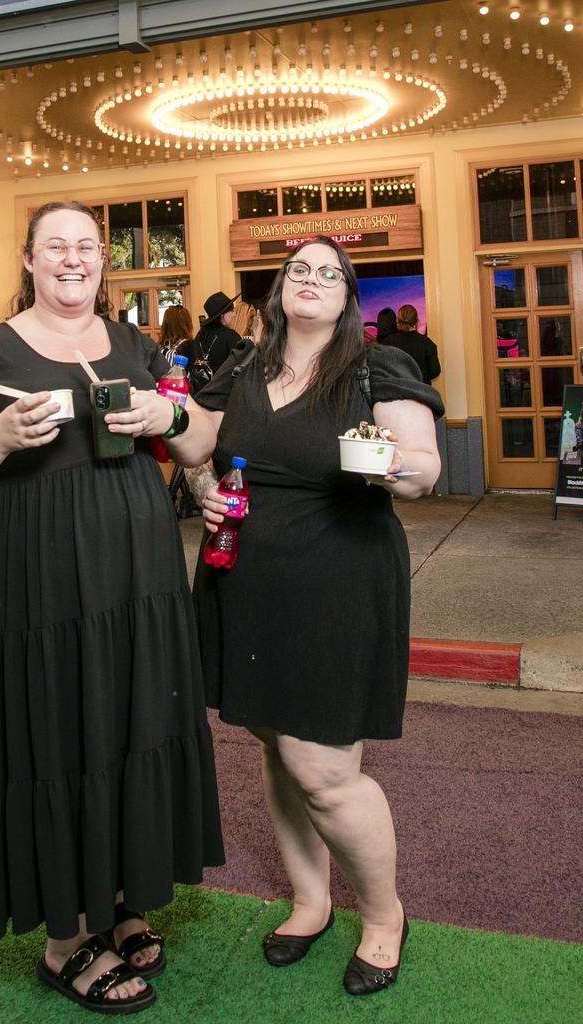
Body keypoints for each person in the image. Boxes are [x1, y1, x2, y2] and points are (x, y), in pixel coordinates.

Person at [0, 201, 224, 1015]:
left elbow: (197, 442)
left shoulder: (134, 343)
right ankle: (63, 943)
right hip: (44, 584)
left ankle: (119, 902)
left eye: (87, 247)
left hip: (140, 576)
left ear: (101, 261)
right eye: (57, 247)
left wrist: (172, 414)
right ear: (29, 259)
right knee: (61, 729)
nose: (74, 260)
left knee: (130, 723)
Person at [192, 237, 444, 997]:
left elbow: (425, 465)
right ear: (277, 292)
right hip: (246, 573)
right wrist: (201, 482)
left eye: (329, 273)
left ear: (346, 297)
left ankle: (382, 913)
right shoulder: (243, 365)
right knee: (274, 739)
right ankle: (309, 901)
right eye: (298, 269)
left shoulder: (376, 366)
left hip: (337, 579)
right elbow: (198, 442)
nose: (311, 280)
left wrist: (398, 465)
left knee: (323, 767)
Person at [185, 290, 241, 390]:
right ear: (222, 315)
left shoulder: (200, 335)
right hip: (224, 395)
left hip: (200, 393)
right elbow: (241, 369)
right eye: (232, 311)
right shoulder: (231, 336)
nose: (234, 315)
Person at [383, 304, 441, 385]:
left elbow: (384, 370)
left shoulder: (388, 342)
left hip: (397, 392)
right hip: (421, 392)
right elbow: (434, 372)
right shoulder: (427, 343)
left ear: (398, 321)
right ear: (417, 321)